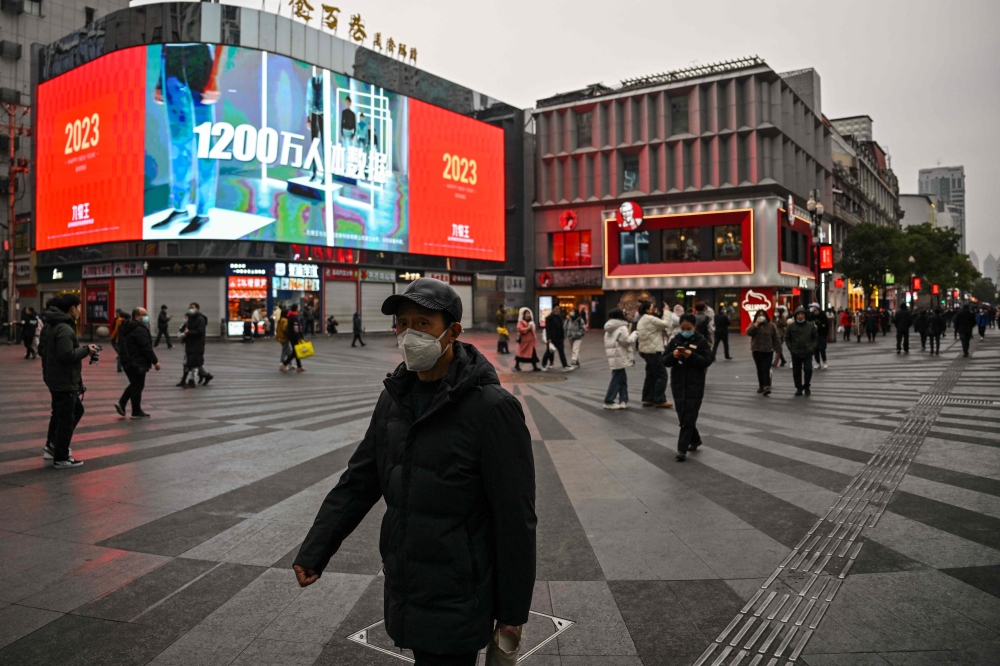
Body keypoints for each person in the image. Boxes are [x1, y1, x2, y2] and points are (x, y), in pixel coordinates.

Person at [293, 278, 535, 666]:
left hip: (461, 591)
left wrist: (512, 614)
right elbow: (359, 480)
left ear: (452, 331)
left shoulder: (492, 409)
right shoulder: (394, 399)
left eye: (422, 324)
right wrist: (317, 548)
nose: (409, 334)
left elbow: (515, 521)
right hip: (408, 583)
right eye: (402, 323)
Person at [39, 294, 98, 468]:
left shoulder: (52, 325)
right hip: (64, 380)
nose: (80, 311)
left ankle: (52, 446)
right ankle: (61, 456)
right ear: (72, 308)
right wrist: (86, 350)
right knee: (67, 417)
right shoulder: (64, 328)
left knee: (63, 413)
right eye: (79, 307)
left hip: (55, 378)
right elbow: (66, 355)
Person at [664, 313, 715, 462]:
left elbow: (707, 360)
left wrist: (690, 355)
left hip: (695, 383)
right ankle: (695, 439)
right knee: (682, 413)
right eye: (683, 328)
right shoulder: (675, 340)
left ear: (694, 327)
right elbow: (665, 361)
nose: (685, 331)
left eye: (689, 328)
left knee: (689, 414)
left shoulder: (701, 341)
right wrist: (673, 355)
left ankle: (682, 449)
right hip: (678, 383)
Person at [115, 307, 161, 419]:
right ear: (136, 316)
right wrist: (155, 361)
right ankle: (134, 410)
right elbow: (146, 348)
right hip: (136, 362)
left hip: (126, 360)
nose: (146, 317)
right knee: (138, 385)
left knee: (135, 384)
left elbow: (119, 343)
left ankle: (124, 404)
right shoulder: (140, 329)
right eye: (144, 314)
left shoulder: (126, 327)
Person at [636, 301, 672, 408]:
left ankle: (647, 398)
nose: (654, 309)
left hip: (646, 351)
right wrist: (667, 311)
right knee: (662, 375)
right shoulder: (649, 319)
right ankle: (659, 399)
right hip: (654, 351)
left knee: (651, 376)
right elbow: (666, 324)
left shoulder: (641, 319)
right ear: (647, 310)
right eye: (652, 308)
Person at [603, 308, 639, 409]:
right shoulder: (622, 327)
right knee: (617, 379)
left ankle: (623, 400)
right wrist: (634, 334)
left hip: (612, 355)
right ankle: (608, 401)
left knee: (622, 378)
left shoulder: (608, 327)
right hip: (620, 355)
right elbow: (626, 341)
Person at [747, 310, 781, 396]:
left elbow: (776, 338)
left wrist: (778, 350)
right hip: (756, 350)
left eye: (763, 315)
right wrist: (756, 325)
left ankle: (767, 386)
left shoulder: (771, 325)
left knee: (765, 369)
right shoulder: (754, 324)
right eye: (759, 315)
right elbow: (748, 332)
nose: (761, 317)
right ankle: (761, 385)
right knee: (759, 369)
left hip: (768, 350)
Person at [786, 306, 818, 396]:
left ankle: (807, 386)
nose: (800, 316)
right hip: (795, 352)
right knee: (796, 371)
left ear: (805, 315)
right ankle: (799, 388)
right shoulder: (791, 326)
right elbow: (787, 338)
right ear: (795, 316)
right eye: (798, 314)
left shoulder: (810, 325)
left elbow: (815, 337)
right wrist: (790, 348)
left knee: (808, 369)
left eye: (802, 314)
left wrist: (813, 347)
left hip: (807, 351)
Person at [180, 302, 213, 386]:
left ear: (198, 309)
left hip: (197, 344)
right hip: (190, 344)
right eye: (189, 307)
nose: (190, 309)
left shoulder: (200, 319)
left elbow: (200, 332)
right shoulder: (191, 319)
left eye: (192, 307)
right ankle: (207, 375)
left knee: (194, 362)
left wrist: (189, 332)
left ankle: (192, 380)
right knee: (195, 362)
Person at [544, 306, 573, 372]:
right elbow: (547, 329)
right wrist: (548, 338)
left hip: (559, 338)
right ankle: (544, 364)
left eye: (558, 309)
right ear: (553, 309)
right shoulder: (549, 318)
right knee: (548, 352)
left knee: (561, 352)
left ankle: (565, 365)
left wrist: (563, 336)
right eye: (556, 309)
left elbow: (561, 327)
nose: (558, 310)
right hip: (552, 338)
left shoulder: (559, 317)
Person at [283, 304, 306, 372]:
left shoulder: (292, 316)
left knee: (296, 351)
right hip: (294, 337)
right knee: (296, 352)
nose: (300, 308)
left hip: (293, 336)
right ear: (296, 308)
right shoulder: (294, 317)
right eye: (299, 307)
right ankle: (284, 364)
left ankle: (299, 366)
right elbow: (296, 328)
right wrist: (299, 337)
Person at [809, 302, 829, 369]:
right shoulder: (811, 315)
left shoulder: (822, 314)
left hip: (822, 334)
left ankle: (824, 362)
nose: (811, 308)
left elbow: (826, 324)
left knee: (822, 349)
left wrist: (819, 327)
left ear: (817, 307)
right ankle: (818, 363)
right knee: (815, 349)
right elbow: (809, 322)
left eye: (813, 306)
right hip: (814, 335)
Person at [110, 309, 126, 373]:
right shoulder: (123, 321)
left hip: (119, 338)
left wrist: (113, 335)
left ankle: (119, 367)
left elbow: (116, 329)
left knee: (120, 353)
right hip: (121, 339)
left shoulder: (119, 320)